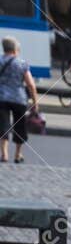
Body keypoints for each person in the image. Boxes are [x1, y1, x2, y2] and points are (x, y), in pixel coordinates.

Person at [0, 37, 39, 165]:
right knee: (20, 127)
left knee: (2, 125)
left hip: (2, 98)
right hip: (19, 99)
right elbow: (31, 84)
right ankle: (17, 154)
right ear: (15, 50)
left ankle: (4, 153)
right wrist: (35, 101)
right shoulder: (22, 63)